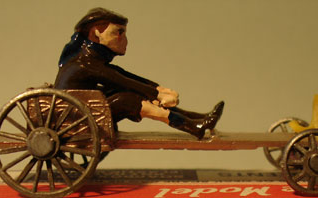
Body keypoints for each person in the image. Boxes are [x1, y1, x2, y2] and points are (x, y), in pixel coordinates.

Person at [54, 7, 224, 139]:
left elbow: (124, 76)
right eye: (118, 33)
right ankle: (193, 127)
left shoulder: (91, 60)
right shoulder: (84, 63)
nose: (125, 40)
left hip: (86, 109)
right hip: (76, 119)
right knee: (128, 99)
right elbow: (120, 80)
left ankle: (197, 118)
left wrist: (158, 89)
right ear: (97, 34)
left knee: (127, 93)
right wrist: (157, 94)